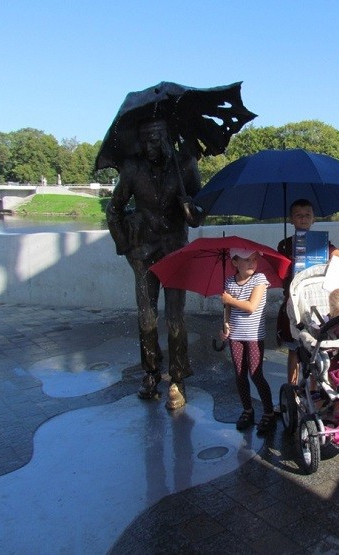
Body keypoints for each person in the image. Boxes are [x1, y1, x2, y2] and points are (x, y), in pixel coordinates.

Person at [105, 117, 205, 410]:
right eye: (144, 140)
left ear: (166, 138)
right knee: (146, 317)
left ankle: (178, 378)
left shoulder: (184, 164)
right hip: (143, 252)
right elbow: (114, 208)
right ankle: (150, 372)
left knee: (175, 319)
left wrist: (191, 210)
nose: (148, 145)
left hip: (175, 251)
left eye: (154, 139)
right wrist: (125, 243)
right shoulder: (132, 168)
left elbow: (199, 213)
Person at [277, 198, 339, 386]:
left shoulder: (322, 242)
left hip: (316, 302)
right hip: (292, 303)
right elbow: (280, 273)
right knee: (293, 349)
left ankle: (314, 391)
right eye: (298, 216)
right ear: (291, 220)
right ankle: (292, 389)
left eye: (307, 215)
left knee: (316, 349)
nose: (303, 219)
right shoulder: (284, 245)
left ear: (314, 219)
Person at [220, 248, 276, 434]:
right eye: (246, 260)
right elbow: (228, 309)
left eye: (254, 259)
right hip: (235, 336)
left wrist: (229, 299)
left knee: (255, 373)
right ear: (235, 262)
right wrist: (225, 325)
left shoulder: (259, 280)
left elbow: (251, 306)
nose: (252, 263)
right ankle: (247, 410)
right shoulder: (229, 281)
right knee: (239, 373)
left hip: (253, 335)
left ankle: (269, 412)